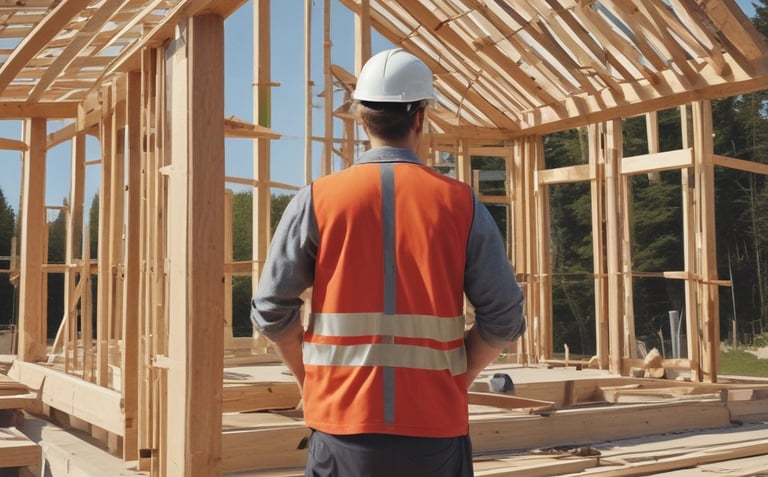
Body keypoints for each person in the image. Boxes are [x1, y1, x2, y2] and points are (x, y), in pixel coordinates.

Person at [251, 48, 526, 477]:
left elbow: (271, 308)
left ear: (362, 118)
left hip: (340, 428)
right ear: (420, 117)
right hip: (435, 431)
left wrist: (310, 380)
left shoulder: (318, 199)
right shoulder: (460, 204)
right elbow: (505, 315)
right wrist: (457, 380)